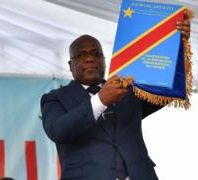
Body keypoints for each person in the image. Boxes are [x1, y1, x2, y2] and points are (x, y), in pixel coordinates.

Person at [40, 12, 191, 180]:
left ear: (104, 60)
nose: (90, 58)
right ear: (70, 65)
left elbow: (169, 89)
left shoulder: (130, 90)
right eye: (81, 55)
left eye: (96, 54)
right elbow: (59, 131)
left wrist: (176, 44)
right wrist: (100, 100)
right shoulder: (55, 98)